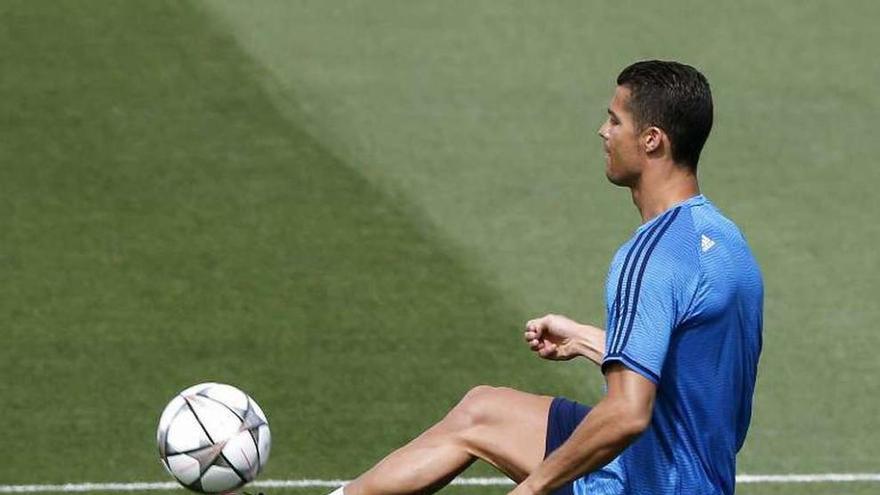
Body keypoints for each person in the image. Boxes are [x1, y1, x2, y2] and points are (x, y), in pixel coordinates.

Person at [328, 60, 763, 495]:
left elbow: (628, 413)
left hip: (650, 480)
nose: (603, 131)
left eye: (615, 120)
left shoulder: (650, 256)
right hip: (698, 473)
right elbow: (694, 371)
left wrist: (533, 488)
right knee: (483, 410)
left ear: (652, 141)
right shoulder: (725, 241)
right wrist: (589, 341)